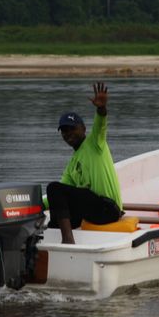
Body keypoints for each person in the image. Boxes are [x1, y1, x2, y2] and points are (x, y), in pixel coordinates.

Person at [47, 82, 124, 245]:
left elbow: (101, 123)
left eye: (72, 129)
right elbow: (57, 196)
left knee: (53, 188)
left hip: (108, 209)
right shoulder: (72, 164)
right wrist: (31, 203)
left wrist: (101, 109)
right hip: (92, 211)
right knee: (53, 220)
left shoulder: (96, 143)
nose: (68, 134)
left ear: (83, 128)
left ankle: (68, 241)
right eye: (64, 131)